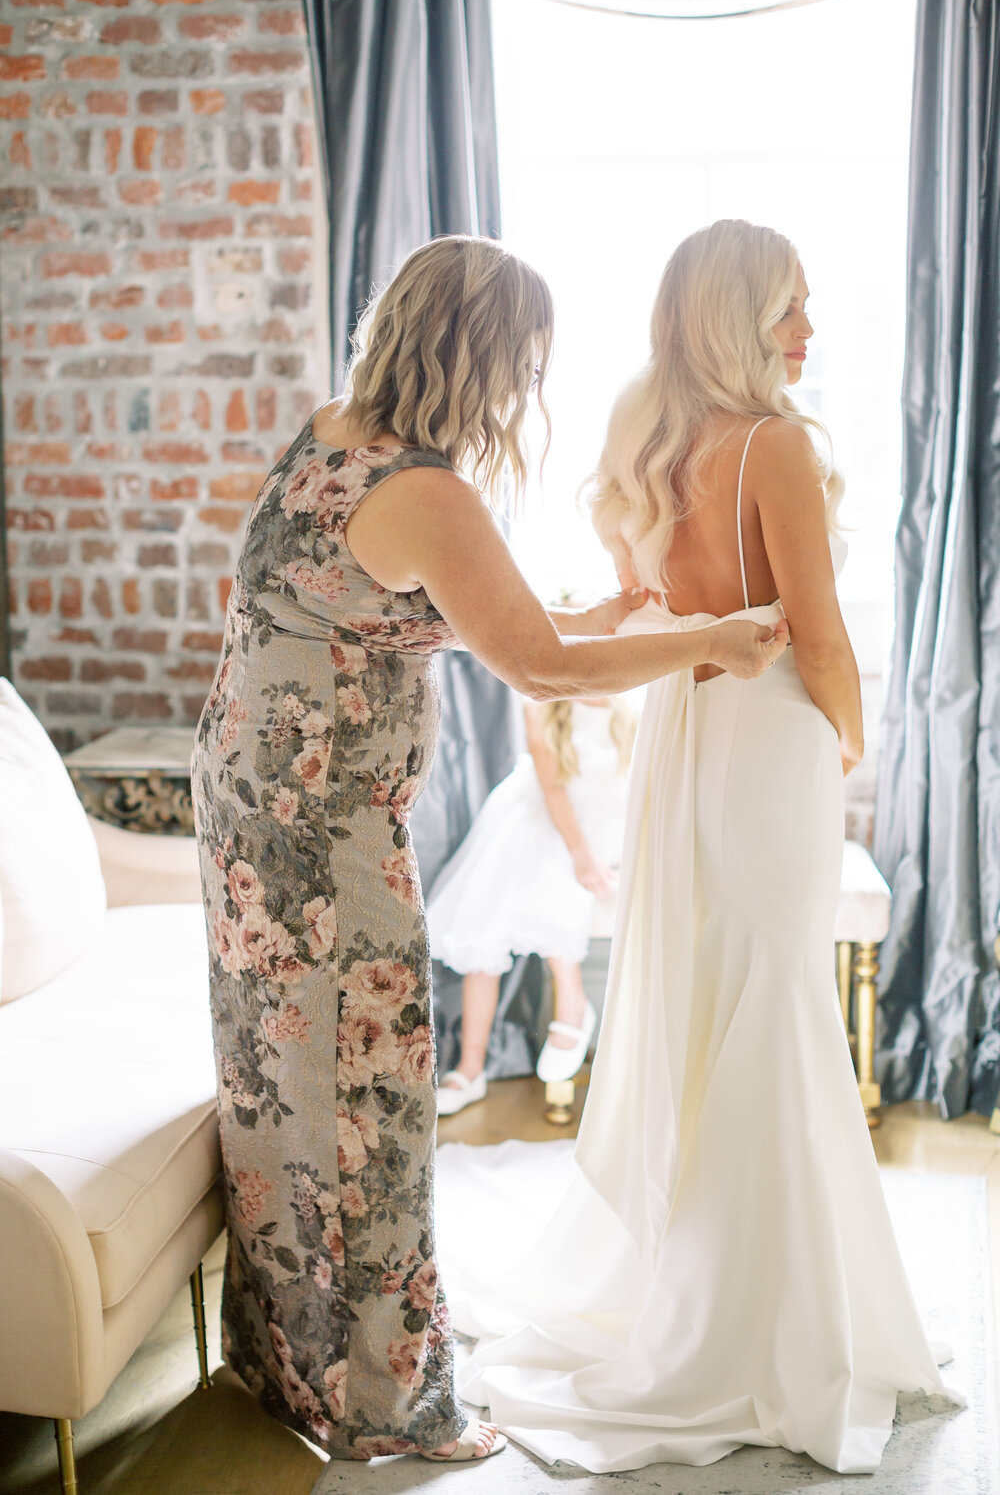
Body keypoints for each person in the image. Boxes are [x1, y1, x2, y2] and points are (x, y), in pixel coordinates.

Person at [189, 234, 787, 1466]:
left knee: (282, 1096)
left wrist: (589, 614)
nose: (524, 392)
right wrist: (710, 637)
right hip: (319, 847)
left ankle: (286, 1364)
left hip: (247, 813)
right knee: (371, 1099)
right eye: (522, 365)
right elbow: (537, 666)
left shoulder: (329, 435)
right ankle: (388, 1404)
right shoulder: (425, 493)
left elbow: (421, 609)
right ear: (482, 357)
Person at [432, 220, 963, 1474]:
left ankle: (709, 1283)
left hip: (680, 723)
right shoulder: (772, 444)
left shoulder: (640, 427)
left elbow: (648, 595)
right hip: (767, 724)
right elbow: (818, 633)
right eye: (791, 304)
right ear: (737, 313)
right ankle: (760, 1323)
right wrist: (849, 737)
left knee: (706, 994)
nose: (808, 330)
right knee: (769, 1000)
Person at [427, 694, 637, 1114]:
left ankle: (572, 1000)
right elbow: (552, 788)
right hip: (549, 819)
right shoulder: (540, 701)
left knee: (551, 876)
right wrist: (582, 857)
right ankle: (471, 1068)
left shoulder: (632, 702)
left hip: (605, 825)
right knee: (489, 917)